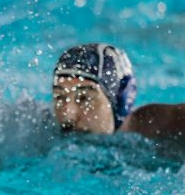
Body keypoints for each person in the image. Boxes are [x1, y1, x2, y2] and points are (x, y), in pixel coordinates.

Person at [52, 43, 184, 143]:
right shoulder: (41, 129)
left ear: (121, 100)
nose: (68, 115)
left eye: (84, 98)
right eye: (60, 96)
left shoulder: (171, 128)